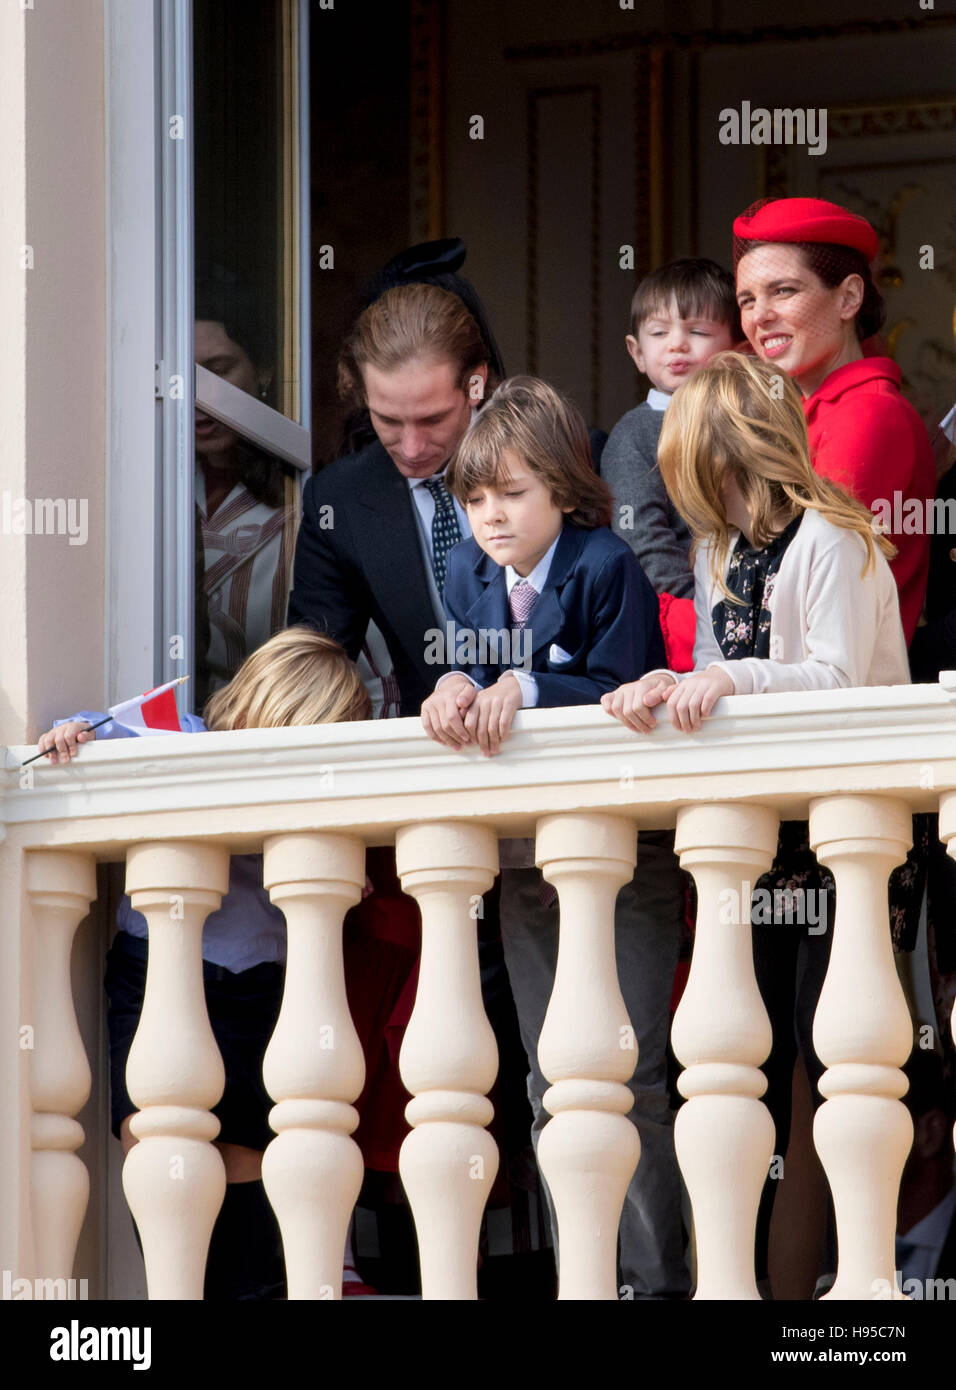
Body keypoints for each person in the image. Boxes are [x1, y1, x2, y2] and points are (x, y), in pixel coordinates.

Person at [601, 352, 910, 1294]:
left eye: (701, 470)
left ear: (736, 455)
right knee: (747, 1064)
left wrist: (732, 678)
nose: (691, 495)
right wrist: (670, 681)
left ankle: (815, 1298)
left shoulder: (833, 540)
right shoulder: (717, 553)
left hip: (843, 847)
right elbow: (716, 668)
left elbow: (839, 682)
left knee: (830, 1076)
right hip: (758, 854)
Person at [36, 627, 416, 1299]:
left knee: (243, 1193)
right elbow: (103, 736)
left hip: (261, 989)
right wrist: (72, 734)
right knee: (163, 1158)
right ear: (261, 710)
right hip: (161, 972)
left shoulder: (322, 790)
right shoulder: (182, 737)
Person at [422, 375, 691, 1298]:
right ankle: (589, 1277)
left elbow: (625, 688)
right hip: (522, 858)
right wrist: (455, 684)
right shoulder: (463, 571)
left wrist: (524, 689)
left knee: (636, 1072)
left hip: (623, 856)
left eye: (514, 492)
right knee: (550, 1076)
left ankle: (658, 1282)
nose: (492, 516)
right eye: (476, 497)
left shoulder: (605, 561)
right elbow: (462, 662)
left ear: (564, 491)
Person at [732, 195, 934, 646]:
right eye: (747, 299)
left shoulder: (869, 415)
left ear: (848, 297)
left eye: (783, 290)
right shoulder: (799, 415)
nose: (759, 316)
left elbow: (797, 596)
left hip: (835, 702)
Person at [288, 280, 493, 717]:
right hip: (431, 751)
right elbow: (312, 661)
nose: (412, 448)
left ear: (476, 382)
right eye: (388, 421)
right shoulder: (339, 500)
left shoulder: (562, 455)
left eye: (432, 419)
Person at [602, 258, 740, 670]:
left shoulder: (746, 423)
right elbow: (643, 540)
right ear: (637, 352)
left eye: (697, 332)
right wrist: (706, 610)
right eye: (659, 333)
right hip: (679, 627)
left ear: (736, 347)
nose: (677, 344)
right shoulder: (635, 435)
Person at [194, 265, 299, 709]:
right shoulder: (148, 492)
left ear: (264, 370)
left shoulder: (306, 502)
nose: (200, 397)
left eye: (218, 372)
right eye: (187, 377)